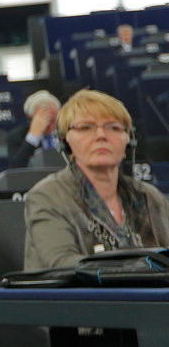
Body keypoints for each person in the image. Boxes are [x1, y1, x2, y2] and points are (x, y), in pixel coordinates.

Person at [24, 89, 169, 270]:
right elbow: (62, 264)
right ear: (65, 142)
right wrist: (139, 269)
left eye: (113, 127)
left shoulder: (149, 196)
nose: (101, 135)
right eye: (85, 127)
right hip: (81, 289)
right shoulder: (47, 196)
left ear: (128, 141)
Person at [7, 90, 61, 169]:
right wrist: (33, 136)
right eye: (47, 121)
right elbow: (17, 166)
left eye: (54, 121)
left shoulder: (67, 133)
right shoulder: (16, 137)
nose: (52, 126)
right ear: (31, 118)